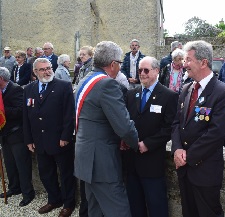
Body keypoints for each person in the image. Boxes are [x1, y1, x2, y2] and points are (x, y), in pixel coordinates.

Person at [74, 41, 138, 217]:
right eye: (119, 64)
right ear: (112, 64)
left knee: (95, 209)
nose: (119, 68)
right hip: (101, 162)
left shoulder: (85, 79)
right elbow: (124, 126)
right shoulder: (107, 84)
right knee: (118, 210)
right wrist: (135, 143)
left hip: (86, 157)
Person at [172, 40, 225, 217]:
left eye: (188, 60)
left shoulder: (222, 92)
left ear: (203, 62)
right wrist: (176, 149)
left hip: (204, 171)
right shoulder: (186, 89)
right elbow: (177, 123)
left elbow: (216, 133)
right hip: (184, 169)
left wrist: (188, 156)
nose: (184, 64)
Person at [124, 56, 178, 217]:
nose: (142, 73)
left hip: (152, 159)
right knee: (135, 203)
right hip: (131, 159)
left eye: (146, 70)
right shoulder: (131, 94)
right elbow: (126, 121)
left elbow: (169, 128)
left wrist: (148, 144)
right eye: (140, 70)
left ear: (156, 71)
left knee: (156, 204)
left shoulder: (169, 96)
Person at [23, 58, 76, 217]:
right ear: (35, 72)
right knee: (46, 173)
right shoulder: (29, 89)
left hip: (60, 140)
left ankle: (68, 203)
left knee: (66, 173)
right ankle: (54, 199)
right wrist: (29, 139)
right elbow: (26, 116)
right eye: (43, 69)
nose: (47, 71)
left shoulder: (63, 86)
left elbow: (69, 114)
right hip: (39, 140)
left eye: (48, 68)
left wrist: (66, 136)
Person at [0, 67, 35, 207]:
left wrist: (2, 110)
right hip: (5, 134)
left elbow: (20, 111)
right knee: (9, 164)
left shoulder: (16, 89)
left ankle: (28, 193)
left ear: (1, 79)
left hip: (17, 134)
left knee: (22, 165)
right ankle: (14, 188)